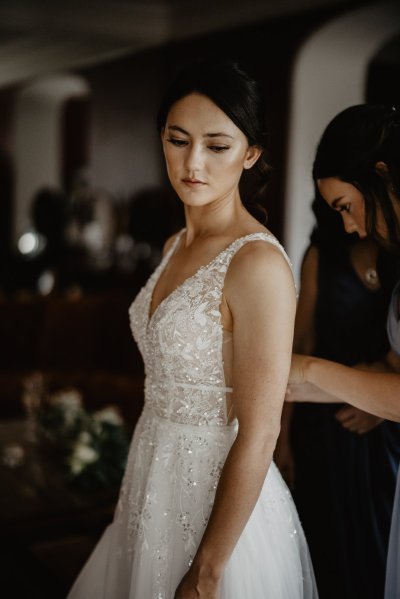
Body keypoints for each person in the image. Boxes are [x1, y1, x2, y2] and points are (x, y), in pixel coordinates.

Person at [67, 60, 317, 598]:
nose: (193, 162)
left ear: (251, 154)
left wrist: (207, 572)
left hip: (218, 502)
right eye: (178, 140)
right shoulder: (173, 246)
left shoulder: (258, 265)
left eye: (217, 145)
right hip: (150, 478)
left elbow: (261, 430)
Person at [286, 104, 400, 599]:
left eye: (346, 205)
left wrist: (309, 370)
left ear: (380, 174)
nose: (350, 225)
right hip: (330, 440)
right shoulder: (328, 258)